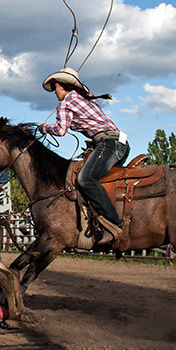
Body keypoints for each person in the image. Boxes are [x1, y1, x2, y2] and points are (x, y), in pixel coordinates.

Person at [38, 67, 129, 244]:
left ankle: (114, 224)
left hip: (108, 143)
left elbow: (61, 130)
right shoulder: (85, 96)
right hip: (121, 144)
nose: (54, 92)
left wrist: (44, 128)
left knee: (85, 179)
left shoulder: (65, 103)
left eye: (55, 87)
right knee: (100, 181)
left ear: (62, 86)